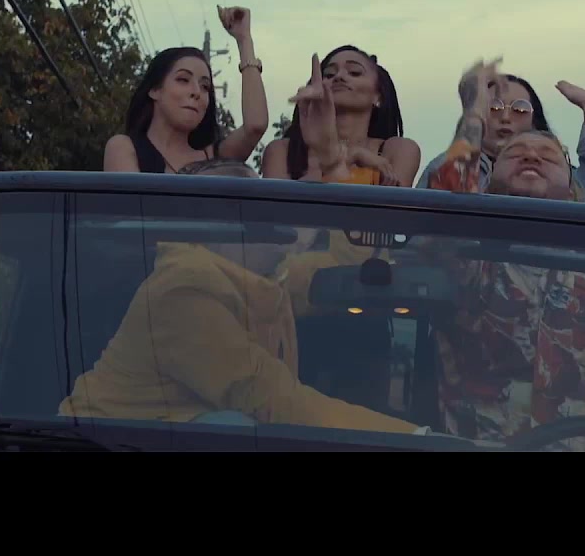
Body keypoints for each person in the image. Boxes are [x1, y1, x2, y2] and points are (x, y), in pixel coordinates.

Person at [57, 157, 427, 436]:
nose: (269, 217)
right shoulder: (181, 289)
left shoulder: (267, 276)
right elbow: (272, 399)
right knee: (236, 427)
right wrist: (417, 438)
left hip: (175, 437)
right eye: (252, 207)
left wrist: (335, 165)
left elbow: (350, 271)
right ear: (213, 225)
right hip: (95, 441)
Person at [423, 75, 585, 449]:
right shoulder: (467, 261)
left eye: (548, 157)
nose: (532, 156)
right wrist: (473, 117)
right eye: (515, 155)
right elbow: (442, 205)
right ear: (489, 181)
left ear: (573, 188)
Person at [415, 57, 585, 205]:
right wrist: (474, 109)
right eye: (493, 107)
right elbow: (448, 198)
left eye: (520, 109)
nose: (505, 117)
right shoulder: (454, 167)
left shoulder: (560, 174)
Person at [104, 6, 269, 173]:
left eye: (205, 87)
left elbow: (255, 126)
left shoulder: (214, 159)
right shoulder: (124, 148)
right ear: (154, 89)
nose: (196, 92)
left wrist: (244, 39)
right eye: (183, 80)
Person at [261, 45, 420, 186]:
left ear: (378, 96)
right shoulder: (282, 152)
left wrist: (342, 158)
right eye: (329, 75)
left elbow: (390, 208)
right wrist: (344, 158)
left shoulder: (398, 150)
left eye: (354, 72)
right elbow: (283, 208)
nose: (339, 77)